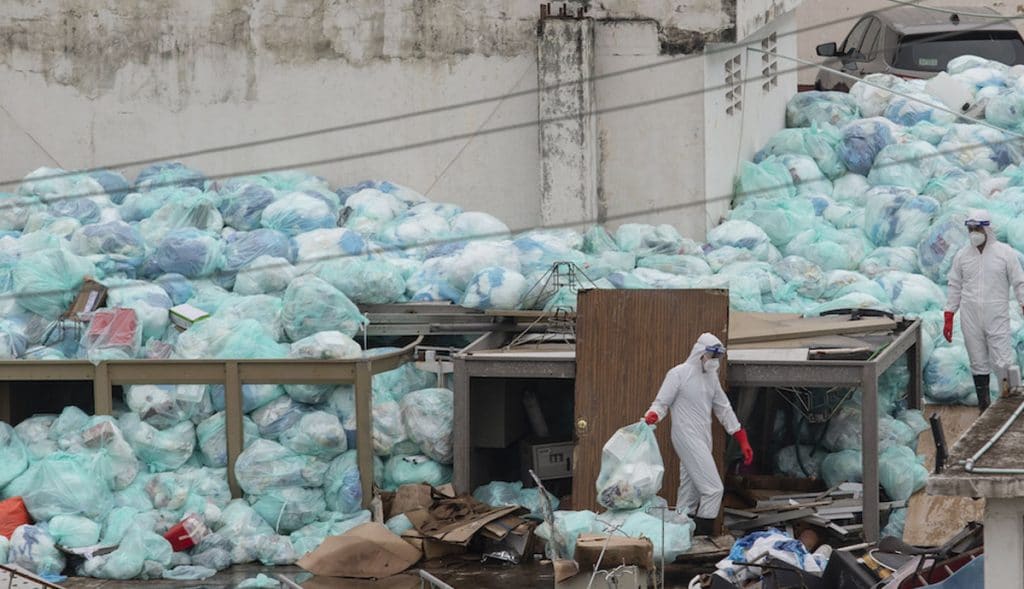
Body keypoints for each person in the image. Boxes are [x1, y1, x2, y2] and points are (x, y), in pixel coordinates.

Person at [643, 333, 753, 536]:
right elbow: (662, 403)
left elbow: (723, 408)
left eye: (717, 356)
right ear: (700, 352)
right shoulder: (679, 374)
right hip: (686, 435)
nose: (714, 360)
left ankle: (680, 533)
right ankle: (703, 534)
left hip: (703, 436)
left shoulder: (711, 378)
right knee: (713, 489)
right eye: (711, 354)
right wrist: (653, 415)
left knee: (690, 490)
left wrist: (740, 437)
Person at [944, 209, 1024, 411]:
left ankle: (1008, 406)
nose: (973, 233)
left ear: (987, 228)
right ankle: (984, 407)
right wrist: (949, 314)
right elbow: (954, 284)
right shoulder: (963, 256)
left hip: (996, 314)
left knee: (1002, 361)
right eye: (970, 229)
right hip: (970, 316)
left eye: (977, 228)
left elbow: (1019, 282)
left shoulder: (1004, 253)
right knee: (977, 361)